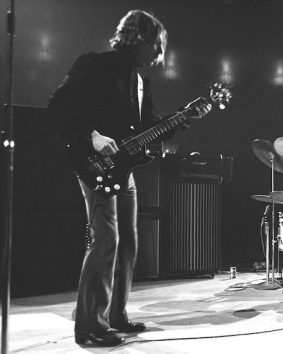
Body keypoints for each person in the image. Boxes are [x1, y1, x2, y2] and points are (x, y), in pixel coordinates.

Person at [48, 10, 209, 346]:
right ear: (139, 39)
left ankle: (116, 315)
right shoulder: (95, 64)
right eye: (156, 46)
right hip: (94, 164)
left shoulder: (139, 82)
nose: (158, 56)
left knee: (129, 245)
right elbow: (59, 105)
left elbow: (149, 129)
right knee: (106, 240)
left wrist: (184, 116)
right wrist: (91, 135)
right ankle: (89, 327)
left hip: (125, 169)